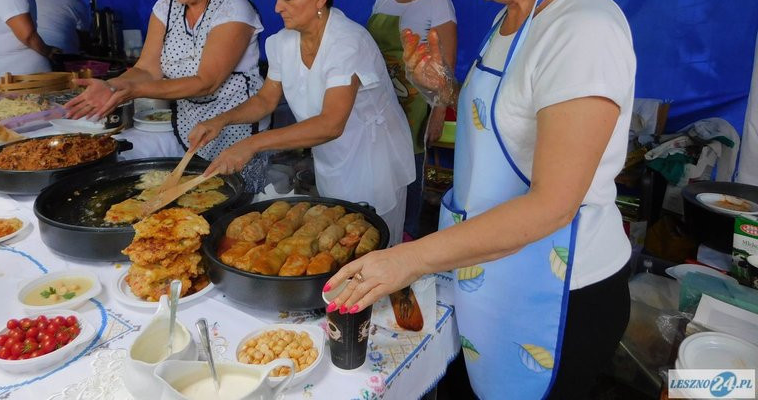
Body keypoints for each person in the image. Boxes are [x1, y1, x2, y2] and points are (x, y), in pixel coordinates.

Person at [325, 0, 636, 398]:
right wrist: (442, 91)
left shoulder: (584, 28)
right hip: (484, 272)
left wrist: (411, 258)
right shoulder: (506, 18)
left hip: (555, 295)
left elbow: (554, 204)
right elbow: (503, 119)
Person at [189, 0, 415, 244]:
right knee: (335, 235)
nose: (277, 8)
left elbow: (331, 124)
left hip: (371, 161)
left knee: (370, 244)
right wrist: (220, 121)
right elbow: (266, 100)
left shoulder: (348, 42)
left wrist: (252, 144)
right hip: (331, 157)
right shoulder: (283, 42)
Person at [65, 0, 269, 193]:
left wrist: (135, 91)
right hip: (191, 125)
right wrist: (112, 86)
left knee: (236, 196)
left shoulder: (233, 8)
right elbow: (146, 69)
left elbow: (207, 82)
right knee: (200, 194)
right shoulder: (166, 7)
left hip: (236, 125)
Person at [367, 0, 457, 240]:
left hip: (417, 102)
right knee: (382, 164)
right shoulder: (382, 2)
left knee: (411, 168)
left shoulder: (438, 5)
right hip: (382, 98)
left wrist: (438, 113)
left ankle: (407, 233)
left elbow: (447, 67)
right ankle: (379, 229)